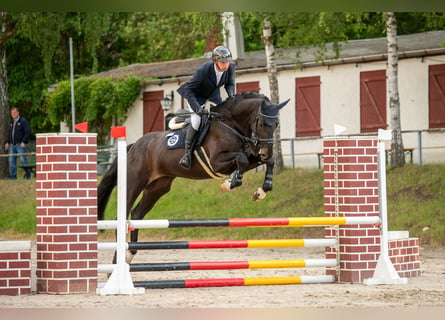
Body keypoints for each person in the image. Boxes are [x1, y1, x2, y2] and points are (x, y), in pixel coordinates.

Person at [176, 45, 235, 169]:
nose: (226, 65)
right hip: (196, 96)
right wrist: (197, 108)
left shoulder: (229, 68)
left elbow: (229, 84)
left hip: (213, 96)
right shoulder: (204, 70)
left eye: (227, 62)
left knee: (225, 115)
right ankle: (187, 154)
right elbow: (189, 90)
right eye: (223, 62)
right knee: (197, 121)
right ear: (215, 61)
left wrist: (231, 96)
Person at [4, 107, 31, 179]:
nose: (13, 114)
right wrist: (7, 142)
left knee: (23, 159)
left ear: (18, 113)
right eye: (12, 113)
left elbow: (27, 132)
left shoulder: (23, 121)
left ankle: (27, 175)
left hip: (20, 145)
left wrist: (24, 141)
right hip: (12, 145)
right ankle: (13, 176)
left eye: (15, 112)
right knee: (11, 160)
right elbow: (9, 133)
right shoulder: (11, 122)